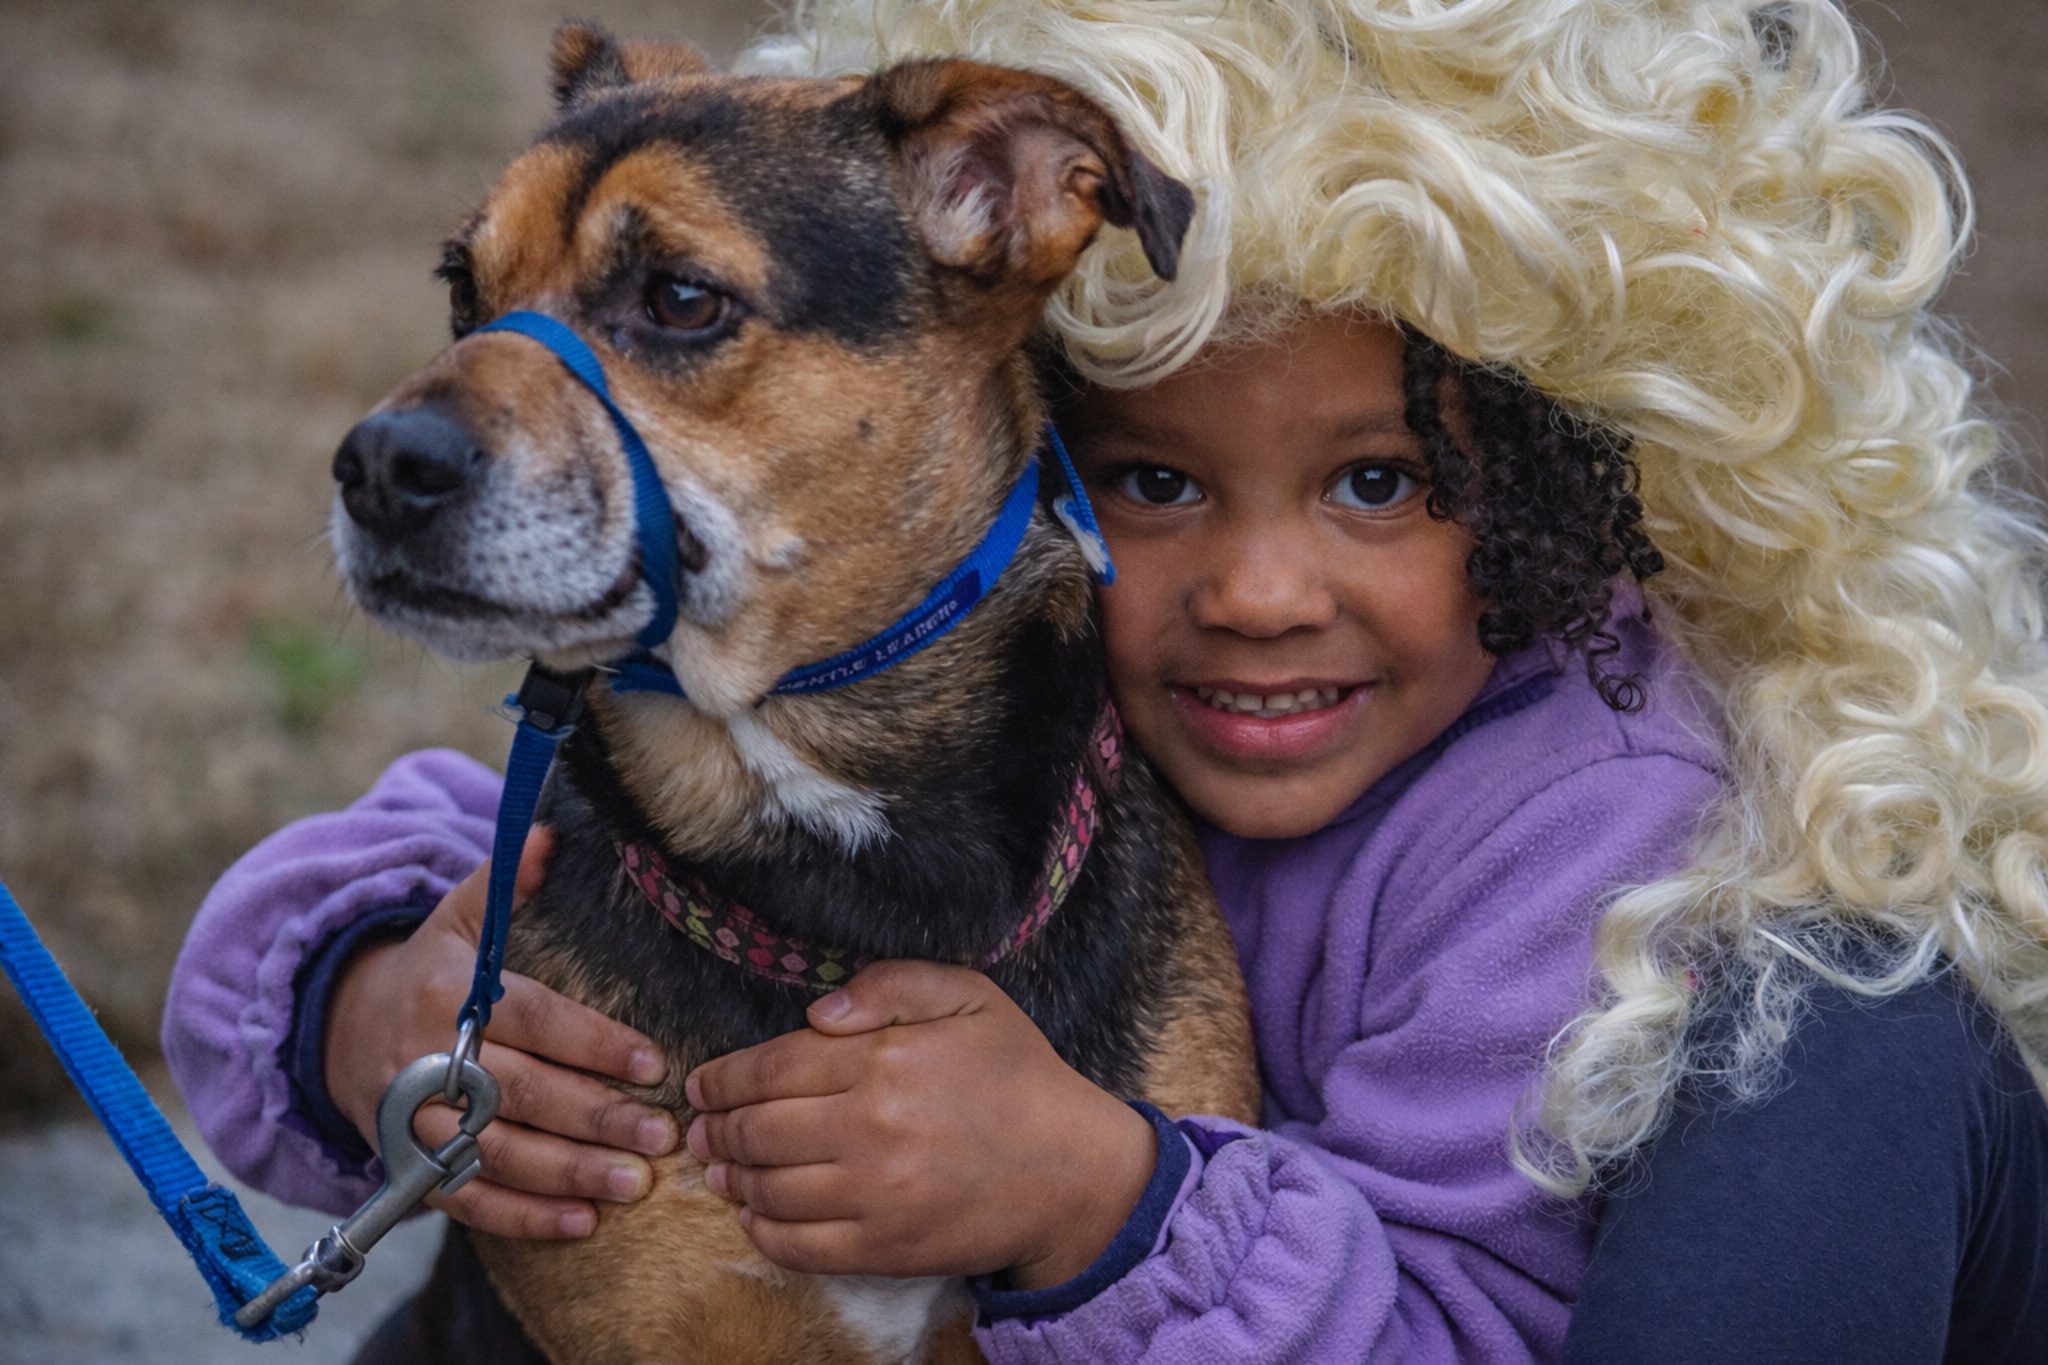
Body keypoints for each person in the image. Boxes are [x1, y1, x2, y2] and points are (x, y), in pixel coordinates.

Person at [162, 0, 2048, 1360]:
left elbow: (1488, 1325)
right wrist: (355, 999)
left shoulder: (1585, 820)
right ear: (1040, 443)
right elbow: (416, 851)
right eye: (1149, 476)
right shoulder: (1041, 629)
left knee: (1858, 1041)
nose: (1251, 587)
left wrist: (1099, 1203)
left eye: (1382, 481)